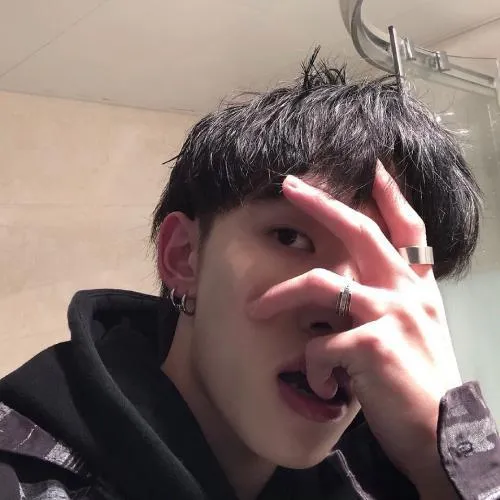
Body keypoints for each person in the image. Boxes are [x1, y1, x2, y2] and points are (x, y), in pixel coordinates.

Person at [1, 51, 499, 500]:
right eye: (290, 237)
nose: (347, 307)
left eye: (382, 266)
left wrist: (446, 458)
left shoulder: (398, 474)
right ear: (184, 256)